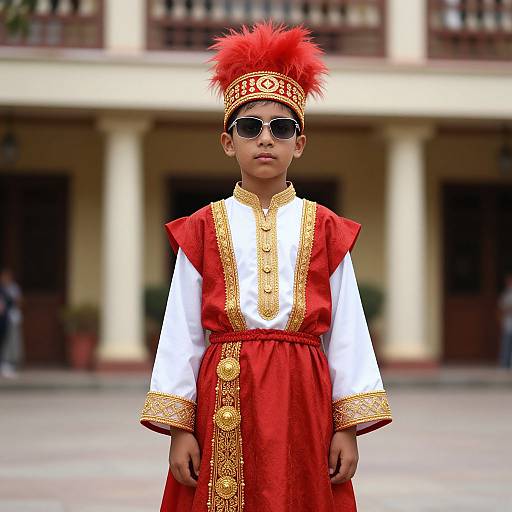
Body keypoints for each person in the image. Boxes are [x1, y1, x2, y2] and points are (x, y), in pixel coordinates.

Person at [140, 22, 392, 512]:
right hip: (225, 394)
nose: (265, 138)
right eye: (250, 126)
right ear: (227, 141)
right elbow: (182, 331)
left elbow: (348, 331)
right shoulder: (202, 227)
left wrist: (347, 426)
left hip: (304, 394)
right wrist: (179, 429)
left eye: (282, 127)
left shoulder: (324, 227)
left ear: (299, 143)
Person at [0, 268, 23, 378]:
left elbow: (18, 301)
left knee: (12, 341)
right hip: (2, 320)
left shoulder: (13, 288)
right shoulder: (1, 289)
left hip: (11, 318)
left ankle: (9, 364)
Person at [498, 272, 512, 369]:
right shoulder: (505, 294)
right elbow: (502, 308)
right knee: (506, 345)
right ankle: (504, 365)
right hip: (507, 324)